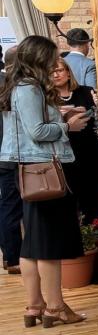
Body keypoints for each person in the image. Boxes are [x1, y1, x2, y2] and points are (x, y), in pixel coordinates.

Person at [0, 36, 90, 327]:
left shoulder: (23, 86)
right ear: (39, 58)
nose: (55, 63)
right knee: (47, 242)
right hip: (43, 170)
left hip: (31, 168)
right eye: (51, 57)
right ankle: (55, 307)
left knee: (33, 243)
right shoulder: (29, 88)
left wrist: (59, 114)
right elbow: (37, 131)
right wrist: (67, 126)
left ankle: (35, 306)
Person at [51, 57, 98, 223]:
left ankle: (93, 235)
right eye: (51, 72)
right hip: (65, 153)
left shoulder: (86, 91)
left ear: (67, 72)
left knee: (92, 197)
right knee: (69, 199)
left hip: (89, 150)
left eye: (59, 70)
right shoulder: (47, 97)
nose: (55, 74)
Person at [0, 46, 21, 273]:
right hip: (11, 154)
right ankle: (14, 257)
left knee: (7, 205)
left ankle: (10, 256)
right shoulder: (14, 84)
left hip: (6, 154)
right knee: (12, 207)